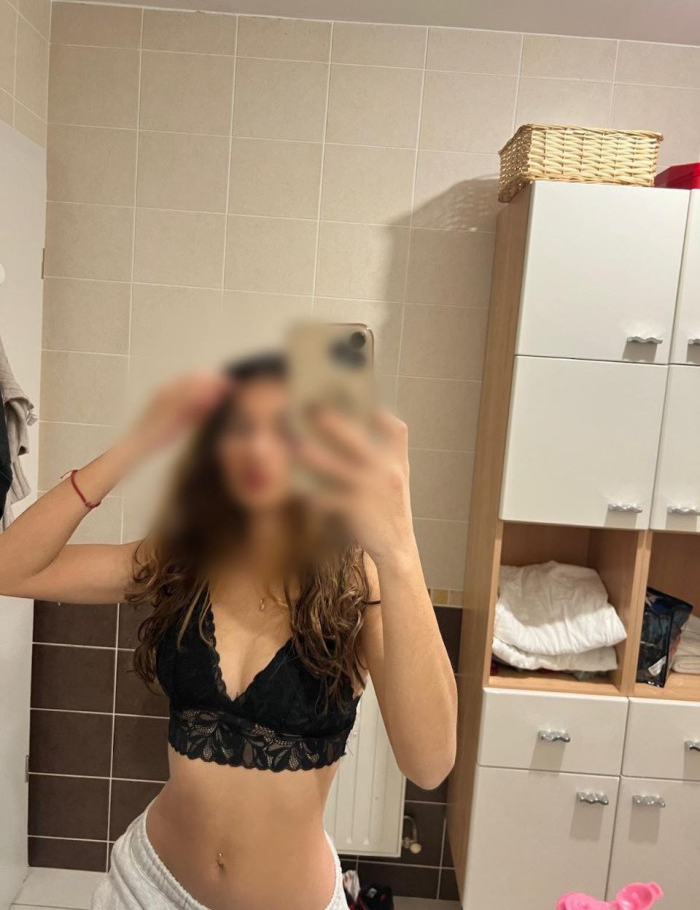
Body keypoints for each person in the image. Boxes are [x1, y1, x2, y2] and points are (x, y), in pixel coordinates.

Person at [0, 354, 457, 910]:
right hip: (146, 887)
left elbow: (430, 765)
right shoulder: (186, 557)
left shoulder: (358, 582)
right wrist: (134, 447)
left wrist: (400, 550)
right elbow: (10, 569)